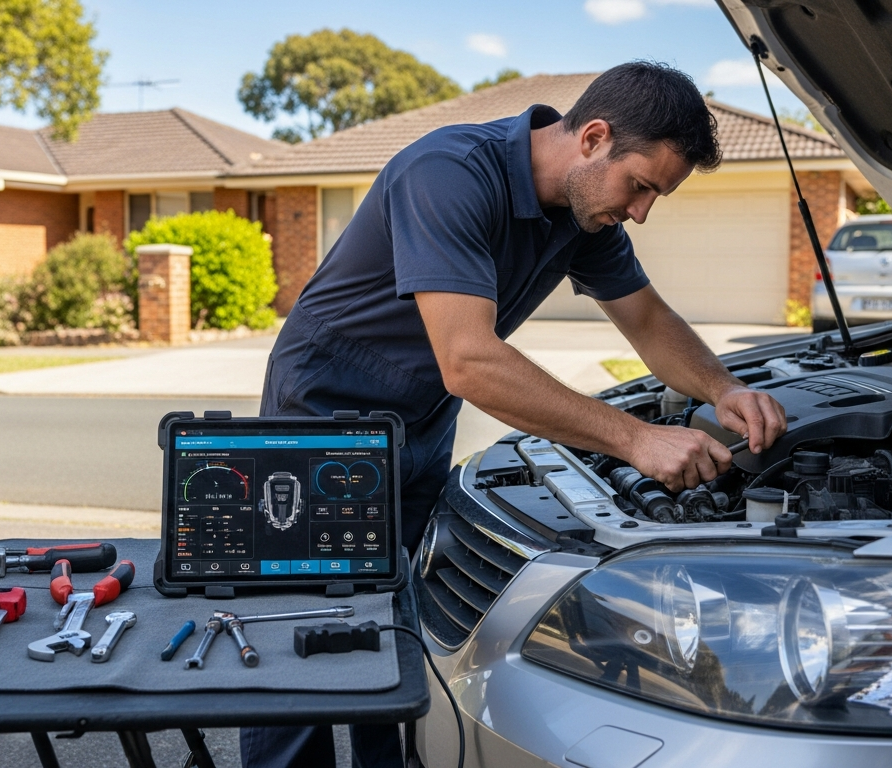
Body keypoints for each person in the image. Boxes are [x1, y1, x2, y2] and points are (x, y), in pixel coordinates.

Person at [242, 60, 788, 768]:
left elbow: (648, 320)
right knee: (298, 653)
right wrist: (635, 439)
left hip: (416, 423)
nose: (643, 212)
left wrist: (723, 390)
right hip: (316, 421)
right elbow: (469, 360)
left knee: (389, 642)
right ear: (593, 137)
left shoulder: (582, 215)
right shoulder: (447, 174)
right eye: (642, 186)